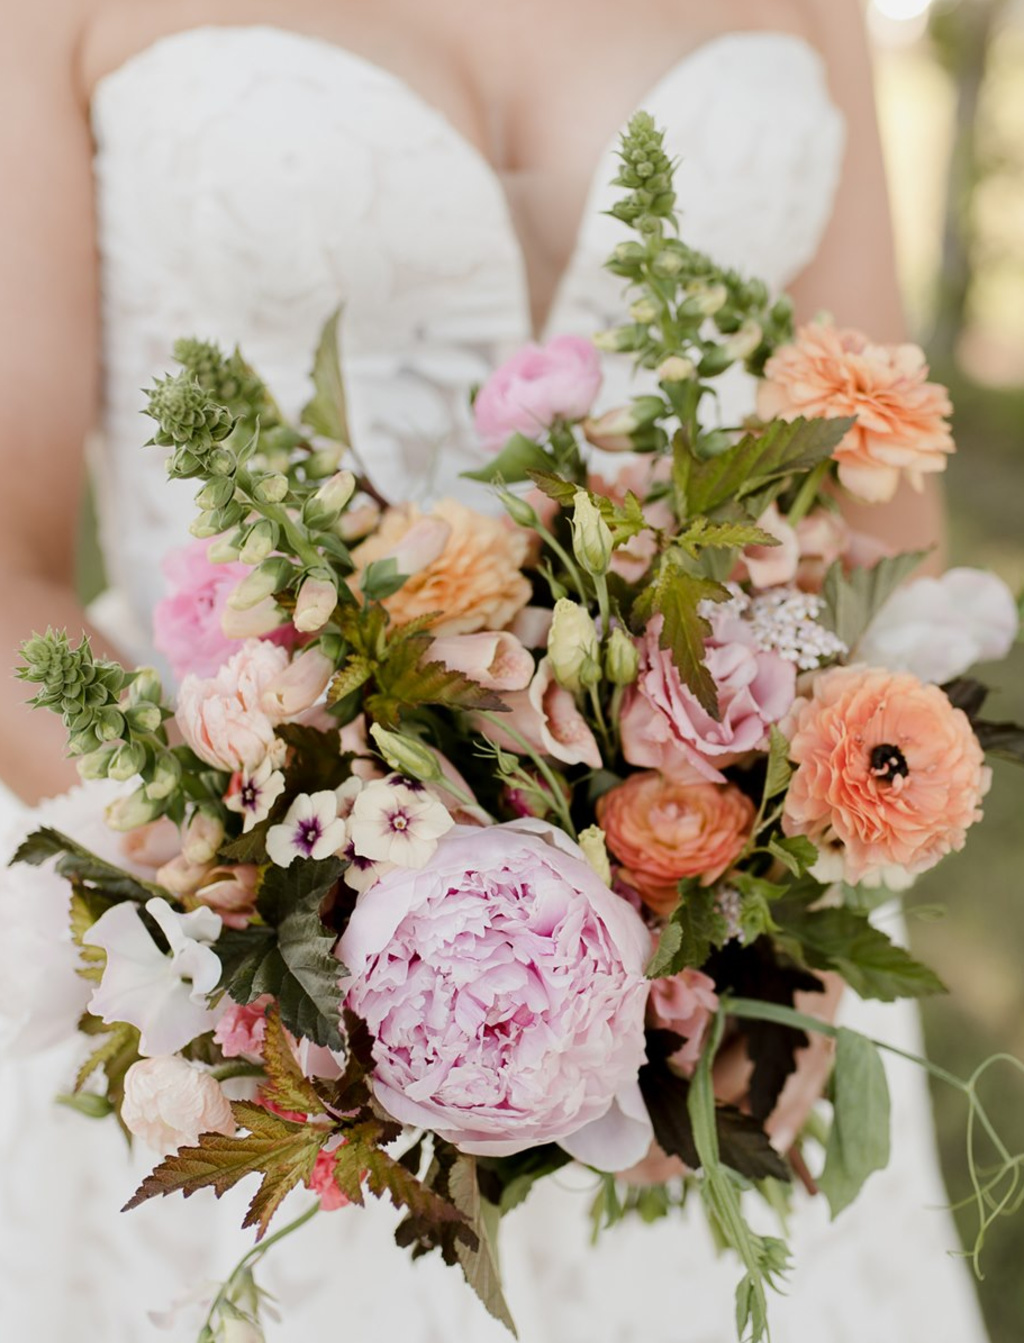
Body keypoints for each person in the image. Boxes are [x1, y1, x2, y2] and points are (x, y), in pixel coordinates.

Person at [0, 2, 987, 1339]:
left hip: (719, 962)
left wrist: (776, 929)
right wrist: (280, 923)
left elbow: (881, 495)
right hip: (230, 951)